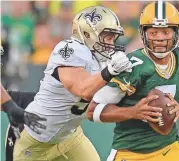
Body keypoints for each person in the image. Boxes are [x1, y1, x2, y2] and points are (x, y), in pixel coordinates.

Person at [87, 1, 179, 161]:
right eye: (153, 33)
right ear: (143, 33)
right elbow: (92, 111)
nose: (160, 38)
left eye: (165, 32)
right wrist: (133, 112)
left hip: (168, 148)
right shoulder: (132, 66)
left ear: (177, 32)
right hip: (131, 153)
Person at [13, 6, 133, 161]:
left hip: (69, 137)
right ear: (88, 34)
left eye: (113, 38)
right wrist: (110, 71)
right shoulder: (70, 49)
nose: (111, 43)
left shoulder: (102, 58)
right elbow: (82, 89)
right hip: (35, 142)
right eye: (107, 37)